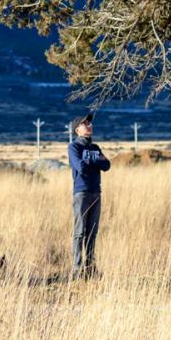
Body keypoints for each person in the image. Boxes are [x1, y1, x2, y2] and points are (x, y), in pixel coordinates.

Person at [67, 113, 111, 277]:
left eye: (90, 123)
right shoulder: (74, 147)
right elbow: (80, 167)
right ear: (77, 129)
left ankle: (90, 267)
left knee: (92, 232)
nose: (89, 126)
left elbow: (107, 165)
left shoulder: (95, 148)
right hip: (81, 193)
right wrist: (95, 161)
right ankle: (77, 269)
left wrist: (93, 161)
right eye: (85, 124)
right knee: (79, 232)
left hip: (96, 192)